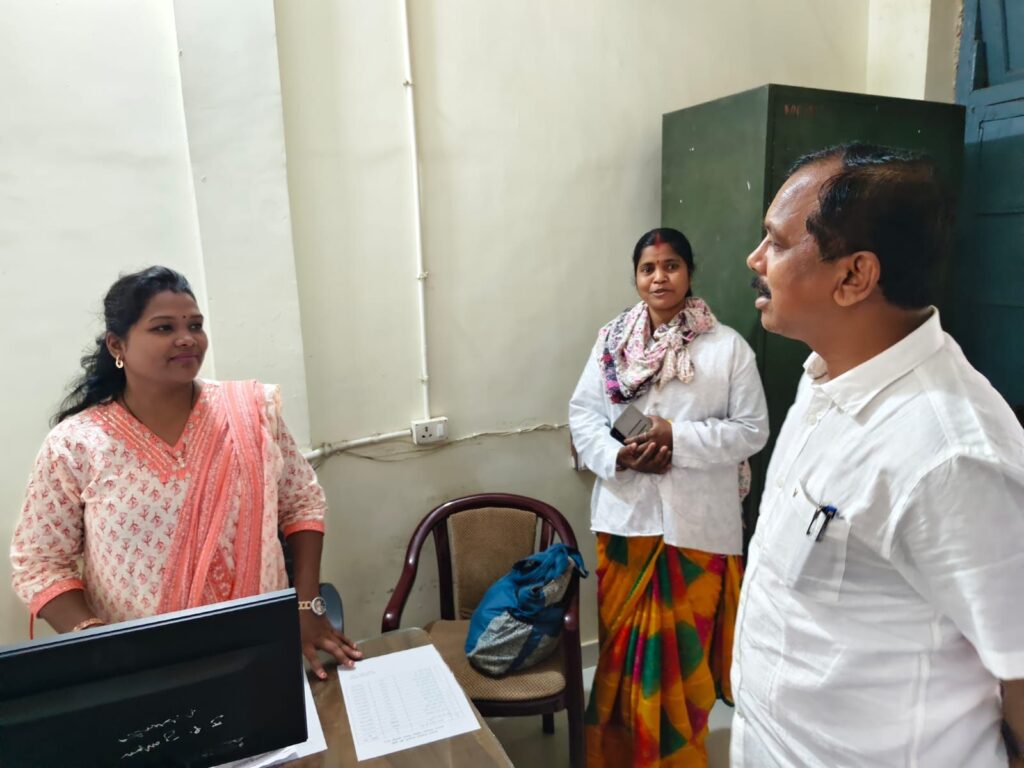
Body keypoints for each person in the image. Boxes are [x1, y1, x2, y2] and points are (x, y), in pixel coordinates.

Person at [731, 144, 1024, 767]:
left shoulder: (951, 456)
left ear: (854, 277)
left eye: (776, 243)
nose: (755, 260)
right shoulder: (826, 373)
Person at [10, 266, 361, 678]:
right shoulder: (76, 444)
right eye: (164, 328)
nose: (187, 338)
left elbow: (301, 503)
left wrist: (306, 604)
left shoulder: (250, 413)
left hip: (260, 647)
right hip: (144, 667)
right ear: (117, 344)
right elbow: (40, 563)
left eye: (195, 325)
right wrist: (97, 641)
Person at [569, 228, 768, 767]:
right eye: (648, 268)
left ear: (689, 273)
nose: (660, 277)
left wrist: (674, 437)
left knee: (685, 663)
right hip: (625, 520)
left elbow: (752, 430)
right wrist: (620, 456)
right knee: (620, 656)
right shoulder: (611, 343)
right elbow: (584, 414)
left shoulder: (727, 348)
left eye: (671, 265)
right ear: (636, 277)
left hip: (699, 525)